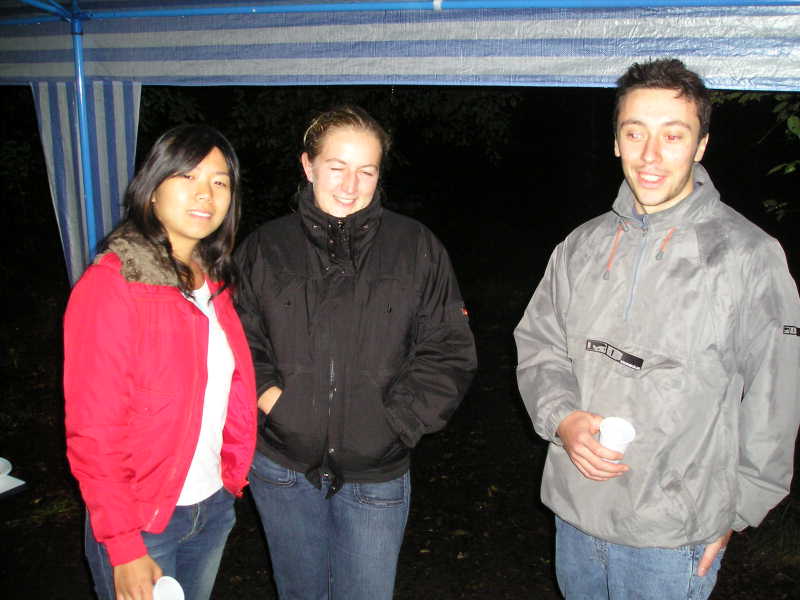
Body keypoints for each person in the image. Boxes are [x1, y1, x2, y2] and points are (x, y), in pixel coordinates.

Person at [514, 58, 800, 600]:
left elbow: (776, 397)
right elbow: (539, 345)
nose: (650, 155)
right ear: (616, 141)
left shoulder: (749, 256)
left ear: (701, 145)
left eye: (673, 135)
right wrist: (563, 418)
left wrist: (738, 510)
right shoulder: (581, 246)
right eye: (634, 133)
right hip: (576, 514)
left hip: (673, 536)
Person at [235, 105, 477, 599]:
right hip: (283, 467)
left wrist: (395, 422)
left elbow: (448, 350)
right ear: (308, 166)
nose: (350, 185)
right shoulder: (265, 247)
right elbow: (238, 339)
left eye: (366, 171)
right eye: (336, 167)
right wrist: (275, 403)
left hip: (376, 473)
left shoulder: (416, 247)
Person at [64, 125, 257, 600]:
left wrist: (229, 479)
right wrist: (123, 544)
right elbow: (94, 429)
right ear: (152, 189)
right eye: (187, 176)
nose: (205, 193)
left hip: (211, 506)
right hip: (143, 522)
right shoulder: (112, 285)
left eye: (219, 182)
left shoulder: (215, 283)